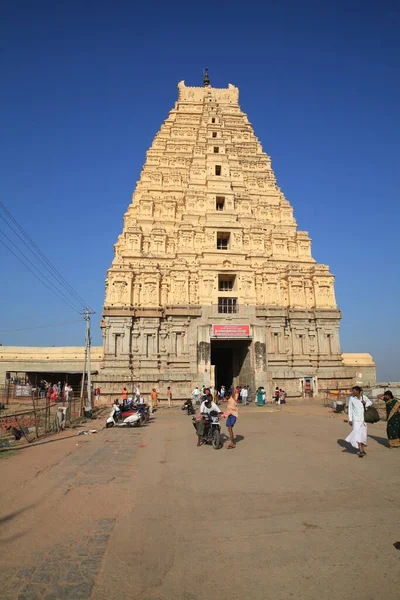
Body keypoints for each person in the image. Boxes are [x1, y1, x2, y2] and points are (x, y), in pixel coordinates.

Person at [345, 386, 372, 457]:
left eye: (354, 391)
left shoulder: (364, 397)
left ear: (358, 391)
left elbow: (370, 402)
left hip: (363, 420)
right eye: (352, 391)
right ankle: (361, 450)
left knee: (363, 435)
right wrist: (350, 420)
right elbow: (350, 410)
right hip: (356, 420)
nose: (353, 392)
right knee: (357, 435)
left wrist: (365, 403)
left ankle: (362, 449)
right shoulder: (351, 399)